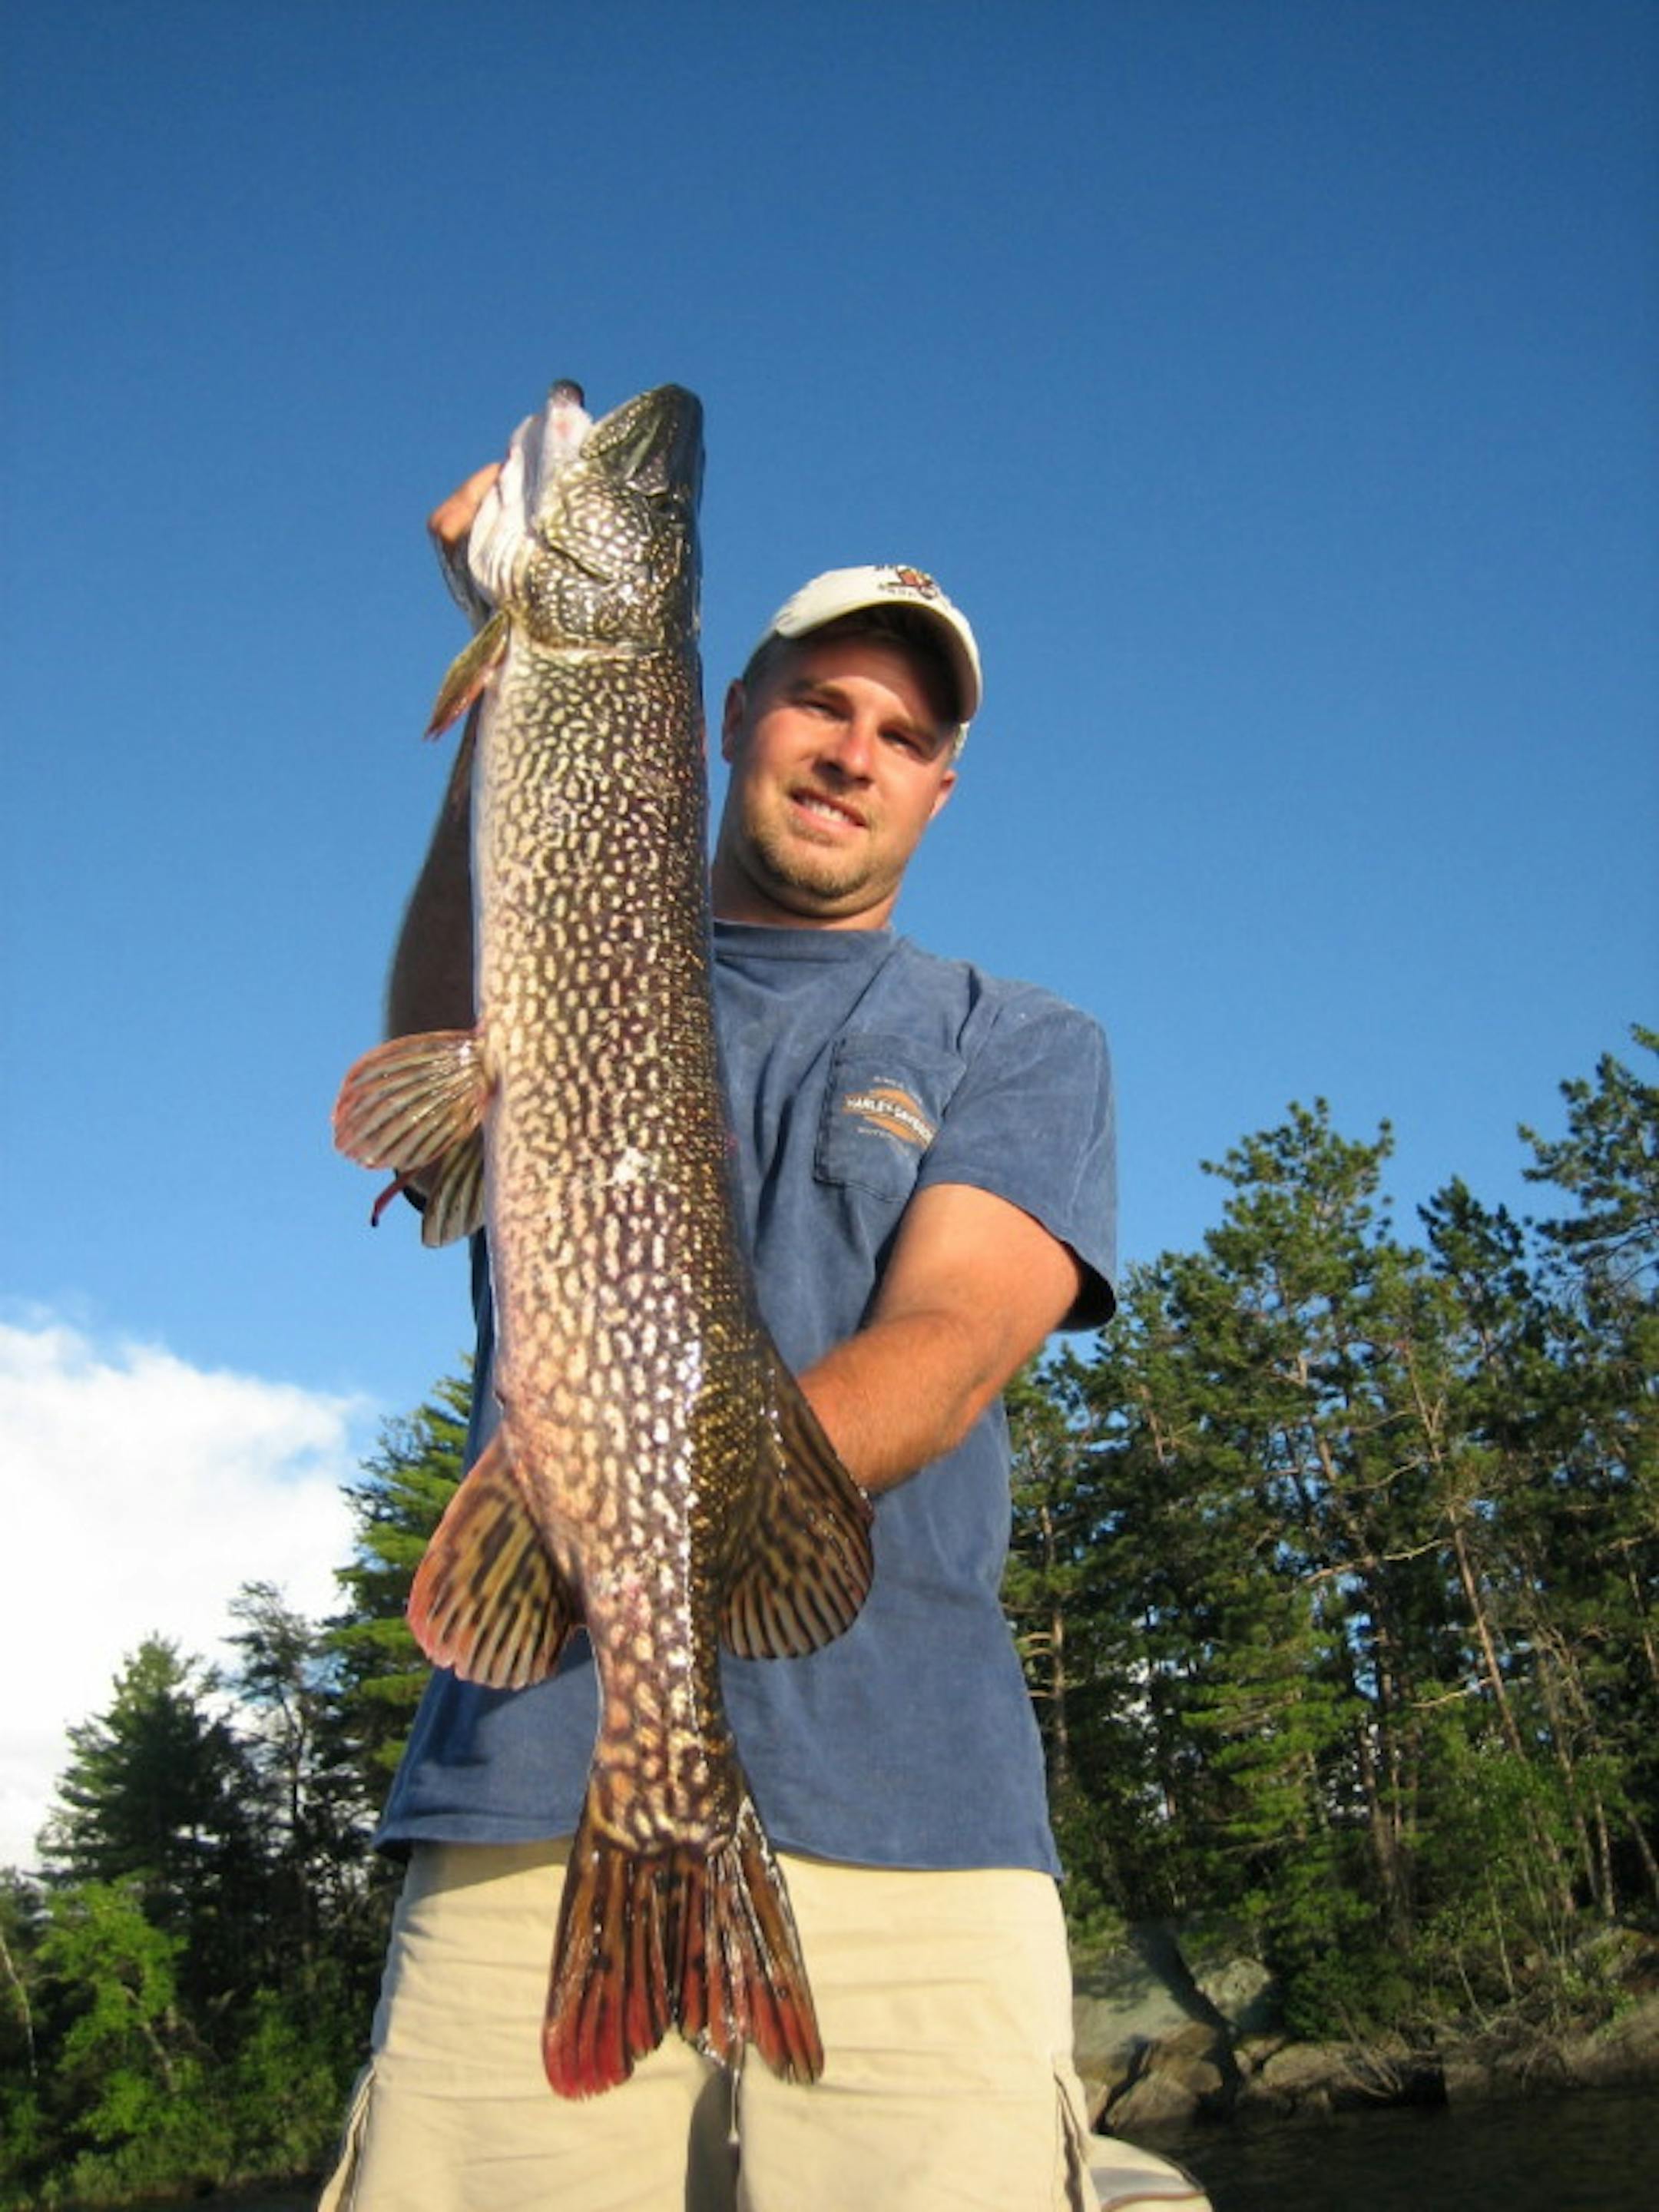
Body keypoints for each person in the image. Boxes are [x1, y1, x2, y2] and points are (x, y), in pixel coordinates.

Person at [320, 459, 1118, 2212]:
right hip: (526, 1793)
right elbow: (433, 1068)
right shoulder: (578, 942)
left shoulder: (1017, 1038)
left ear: (940, 787)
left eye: (900, 735)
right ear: (730, 712)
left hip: (919, 1830)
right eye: (819, 703)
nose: (851, 750)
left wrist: (669, 1516)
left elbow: (962, 1337)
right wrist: (514, 696)